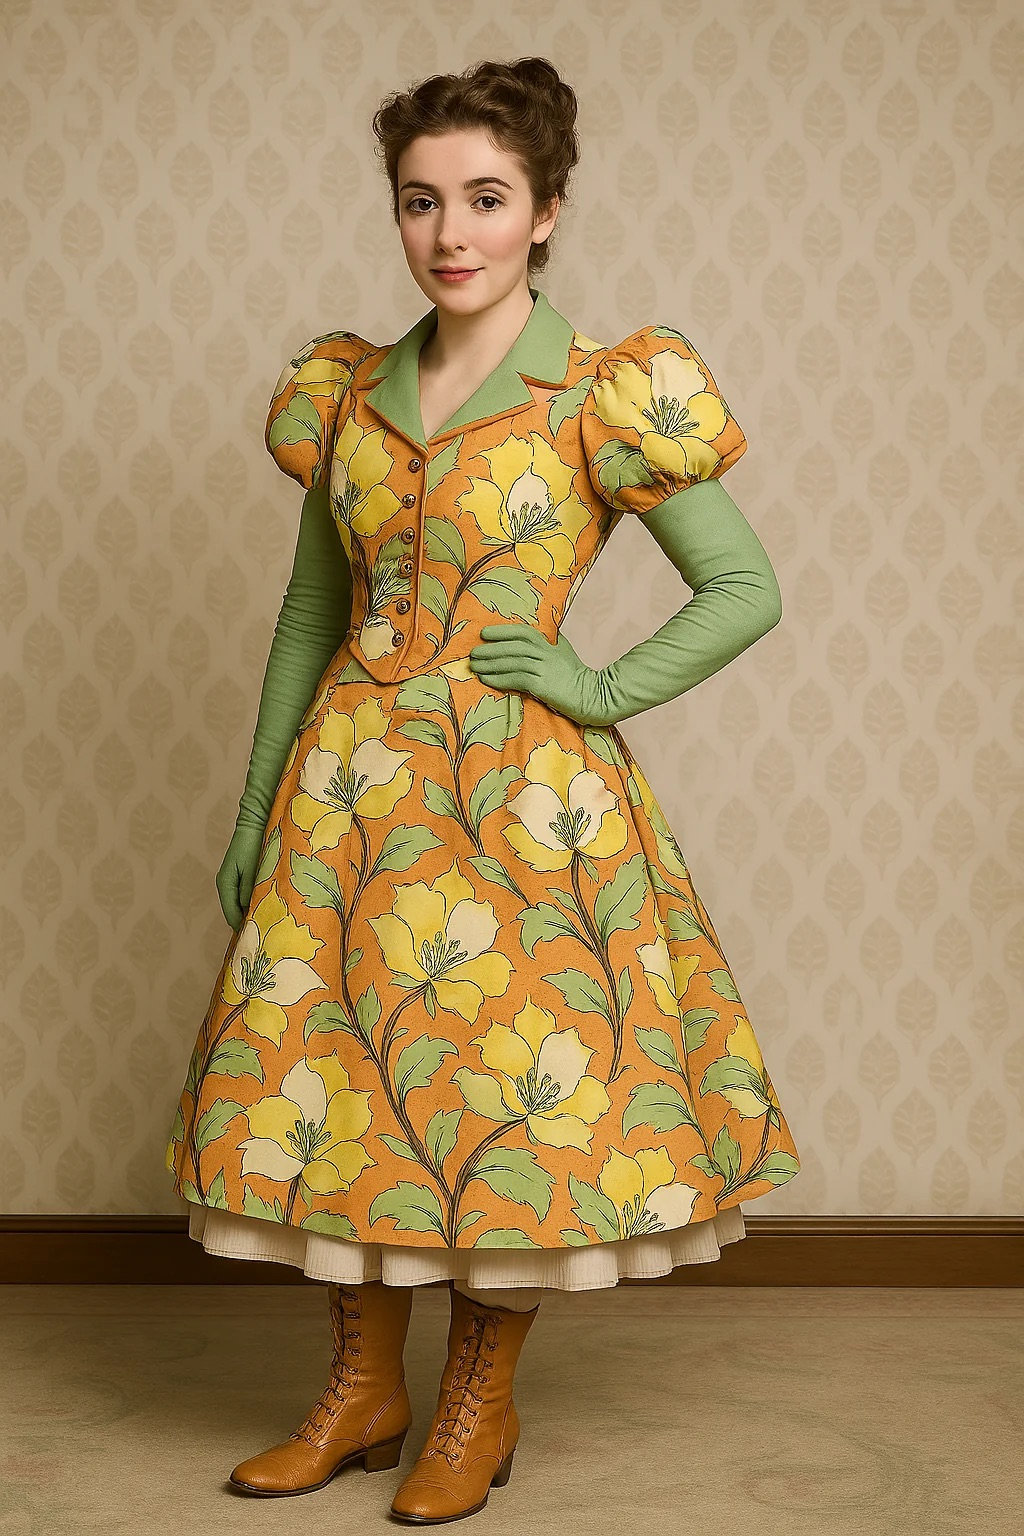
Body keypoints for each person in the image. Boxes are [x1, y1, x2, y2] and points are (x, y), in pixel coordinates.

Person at [164, 54, 801, 1526]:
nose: (451, 230)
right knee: (331, 1092)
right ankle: (360, 1390)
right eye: (421, 201)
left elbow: (742, 586)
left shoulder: (600, 391)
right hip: (351, 798)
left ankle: (476, 1400)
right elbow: (310, 617)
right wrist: (259, 811)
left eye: (487, 199)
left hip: (528, 808)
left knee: (516, 1103)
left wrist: (592, 684)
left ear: (547, 212)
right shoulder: (347, 394)